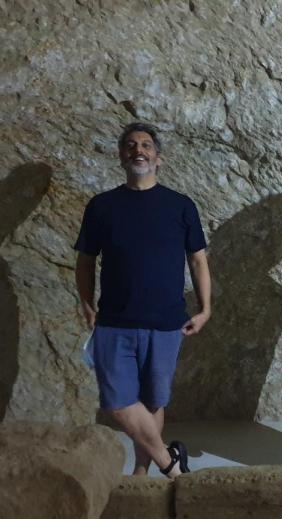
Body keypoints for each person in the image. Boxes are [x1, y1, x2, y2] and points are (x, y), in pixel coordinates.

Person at [74, 123, 211, 477]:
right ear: (121, 156)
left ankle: (141, 474)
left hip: (166, 322)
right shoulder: (102, 206)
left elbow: (198, 260)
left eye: (147, 145)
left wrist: (206, 308)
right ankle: (171, 464)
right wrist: (86, 302)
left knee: (153, 401)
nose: (139, 150)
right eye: (131, 145)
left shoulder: (181, 206)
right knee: (118, 403)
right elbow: (86, 260)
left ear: (158, 158)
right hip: (114, 321)